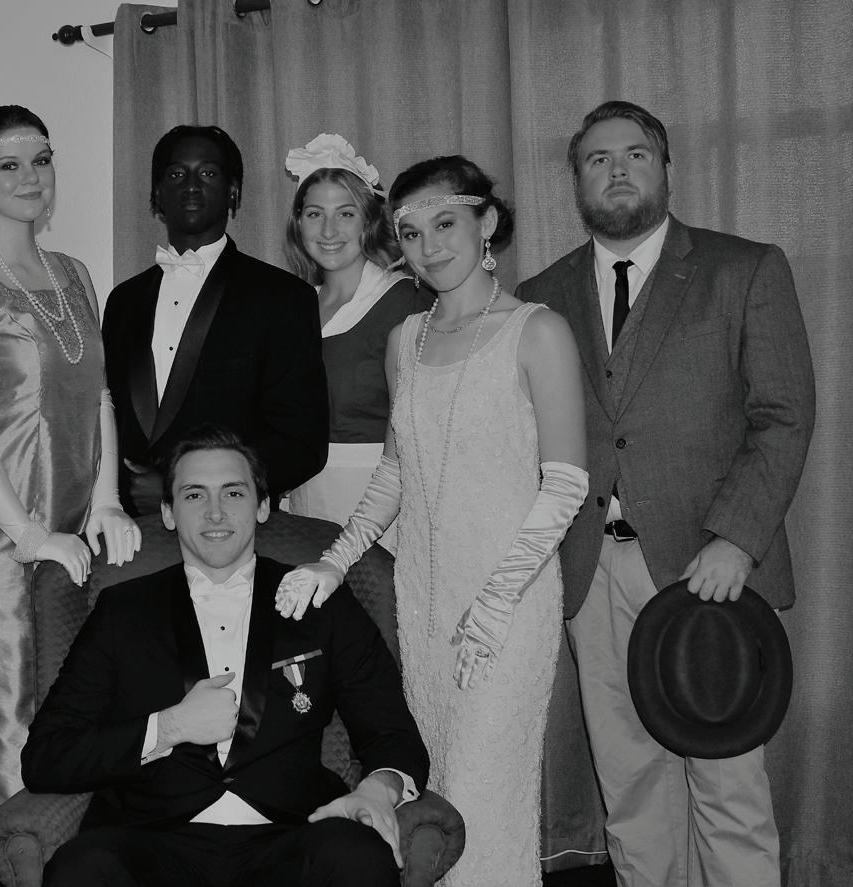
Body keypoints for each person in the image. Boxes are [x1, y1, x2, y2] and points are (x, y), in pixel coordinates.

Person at [518, 100, 815, 887]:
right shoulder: (539, 295)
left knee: (727, 784)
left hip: (707, 568)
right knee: (631, 788)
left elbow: (783, 415)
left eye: (635, 154)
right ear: (576, 182)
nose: (617, 171)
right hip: (589, 572)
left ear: (665, 168)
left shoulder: (744, 269)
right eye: (597, 159)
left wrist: (736, 540)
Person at [276, 156, 589, 886]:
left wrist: (497, 601)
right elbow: (395, 471)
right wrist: (335, 560)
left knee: (484, 795)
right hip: (421, 598)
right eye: (411, 233)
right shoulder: (405, 339)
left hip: (506, 605)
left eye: (446, 223)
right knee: (436, 793)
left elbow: (567, 483)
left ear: (488, 222)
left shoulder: (539, 331)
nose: (428, 246)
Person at [23, 425, 430, 887]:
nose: (215, 512)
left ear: (262, 506)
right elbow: (47, 757)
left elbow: (393, 734)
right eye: (194, 495)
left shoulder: (323, 602)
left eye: (233, 493)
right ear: (168, 512)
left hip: (294, 834)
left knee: (358, 857)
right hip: (151, 840)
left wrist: (379, 789)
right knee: (80, 870)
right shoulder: (122, 611)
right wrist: (169, 727)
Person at [0, 104, 140, 886]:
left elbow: (101, 396)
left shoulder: (75, 273)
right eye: (8, 164)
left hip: (72, 535)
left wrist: (107, 499)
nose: (29, 177)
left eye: (41, 160)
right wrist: (25, 530)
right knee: (9, 744)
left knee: (72, 727)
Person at [103, 124, 328, 516]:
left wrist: (183, 490)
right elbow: (107, 422)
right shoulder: (123, 301)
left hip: (234, 530)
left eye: (208, 172)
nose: (191, 185)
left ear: (233, 192)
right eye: (176, 174)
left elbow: (301, 443)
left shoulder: (283, 297)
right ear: (157, 194)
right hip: (130, 531)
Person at [280, 133, 428, 527]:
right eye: (315, 214)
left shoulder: (407, 301)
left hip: (382, 502)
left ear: (369, 221)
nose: (328, 231)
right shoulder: (292, 308)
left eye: (345, 214)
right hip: (304, 496)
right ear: (298, 223)